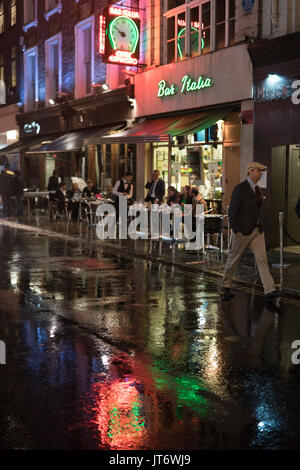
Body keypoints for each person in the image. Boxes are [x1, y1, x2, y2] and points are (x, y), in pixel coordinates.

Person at [221, 162, 279, 303]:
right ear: (251, 171)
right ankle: (225, 286)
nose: (260, 174)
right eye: (259, 171)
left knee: (262, 260)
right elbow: (232, 211)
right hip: (242, 231)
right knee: (233, 259)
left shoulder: (257, 189)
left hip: (257, 231)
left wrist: (261, 226)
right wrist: (236, 230)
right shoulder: (240, 189)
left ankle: (269, 290)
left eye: (261, 171)